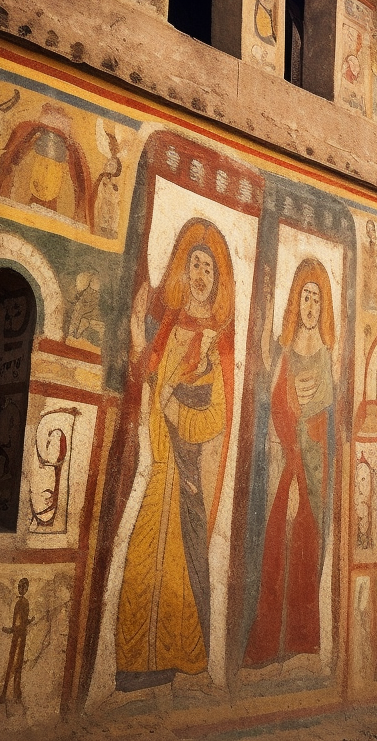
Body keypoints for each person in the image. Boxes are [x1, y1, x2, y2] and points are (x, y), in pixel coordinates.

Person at [115, 219, 235, 688]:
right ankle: (136, 667)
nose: (201, 274)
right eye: (195, 264)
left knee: (185, 564)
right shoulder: (170, 324)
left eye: (208, 267)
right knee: (144, 554)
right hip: (160, 464)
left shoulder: (214, 338)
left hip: (184, 470)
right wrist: (134, 327)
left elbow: (217, 415)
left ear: (216, 278)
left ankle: (181, 659)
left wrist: (176, 409)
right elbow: (149, 375)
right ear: (184, 272)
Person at [244, 258, 335, 665]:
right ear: (295, 302)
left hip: (315, 472)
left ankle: (301, 642)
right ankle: (269, 644)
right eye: (305, 296)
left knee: (307, 546)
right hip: (286, 467)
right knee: (275, 547)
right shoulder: (285, 354)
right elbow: (278, 410)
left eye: (317, 298)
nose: (310, 305)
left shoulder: (327, 359)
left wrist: (306, 473)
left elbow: (326, 423)